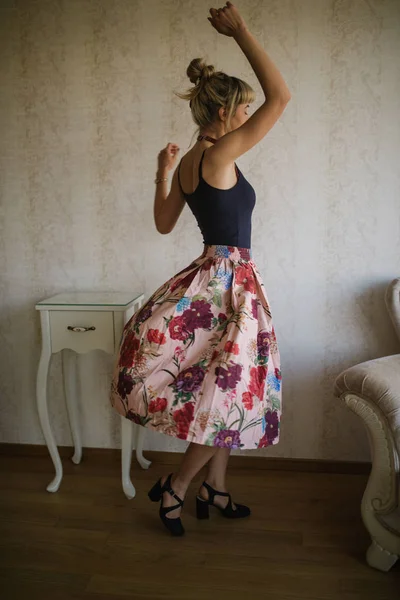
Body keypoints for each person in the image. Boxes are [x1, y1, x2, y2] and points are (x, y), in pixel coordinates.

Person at [110, 1, 291, 537]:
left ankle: (216, 487)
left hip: (213, 281)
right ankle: (178, 488)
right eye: (242, 111)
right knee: (230, 395)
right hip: (229, 286)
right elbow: (282, 97)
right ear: (223, 114)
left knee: (225, 389)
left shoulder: (192, 161)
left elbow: (165, 222)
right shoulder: (219, 154)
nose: (247, 118)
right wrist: (240, 31)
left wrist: (162, 172)